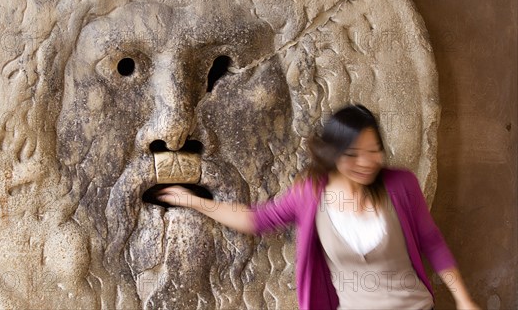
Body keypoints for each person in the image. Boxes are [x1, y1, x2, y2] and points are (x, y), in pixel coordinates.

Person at [157, 104, 480, 310]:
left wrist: (463, 300)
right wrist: (194, 200)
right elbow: (257, 220)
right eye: (353, 155)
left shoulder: (401, 185)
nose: (367, 163)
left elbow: (432, 242)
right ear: (332, 155)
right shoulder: (310, 194)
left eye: (374, 151)